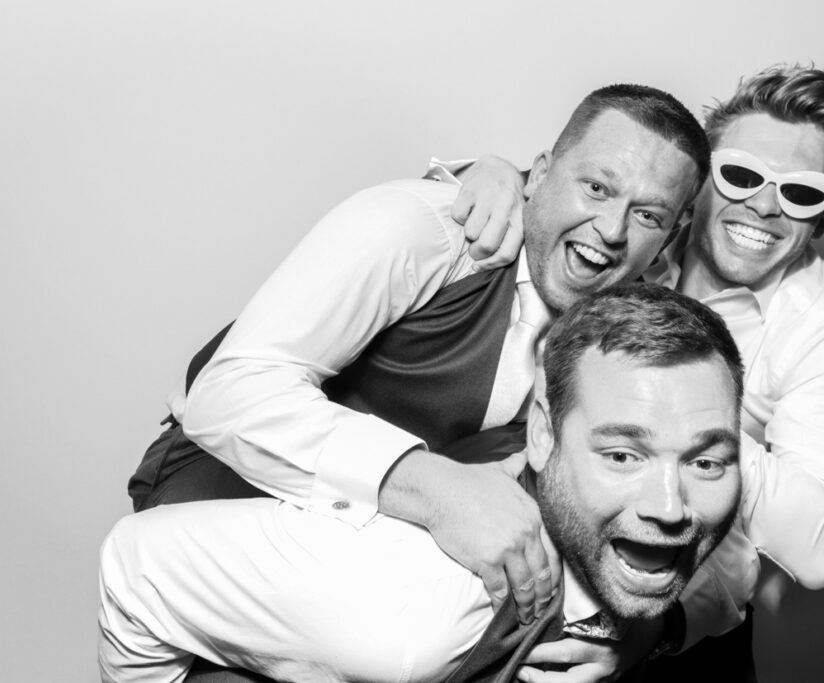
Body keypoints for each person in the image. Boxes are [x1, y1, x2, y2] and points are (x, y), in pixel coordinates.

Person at [126, 83, 708, 647]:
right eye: (597, 188)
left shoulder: (632, 319)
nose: (611, 231)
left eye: (648, 216)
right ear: (542, 171)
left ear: (672, 233)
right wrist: (436, 489)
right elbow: (227, 393)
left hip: (394, 547)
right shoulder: (424, 228)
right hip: (226, 490)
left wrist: (636, 635)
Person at [99, 284, 745, 683]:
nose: (671, 506)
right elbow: (135, 565)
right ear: (543, 434)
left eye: (707, 462)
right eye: (624, 454)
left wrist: (648, 632)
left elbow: (737, 572)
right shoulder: (414, 608)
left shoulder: (641, 552)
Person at [446, 63, 824, 681]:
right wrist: (487, 172)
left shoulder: (815, 325)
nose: (763, 205)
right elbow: (568, 187)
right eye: (741, 175)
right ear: (696, 180)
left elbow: (815, 545)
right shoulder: (628, 234)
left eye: (802, 191)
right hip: (519, 526)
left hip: (683, 603)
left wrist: (690, 427)